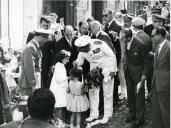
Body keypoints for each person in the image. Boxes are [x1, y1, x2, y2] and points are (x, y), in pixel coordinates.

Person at [73, 36, 118, 124]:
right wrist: (76, 63)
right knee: (92, 92)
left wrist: (112, 70)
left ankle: (107, 115)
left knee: (107, 93)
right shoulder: (82, 49)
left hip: (107, 68)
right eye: (81, 50)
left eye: (84, 49)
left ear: (88, 45)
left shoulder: (99, 43)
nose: (83, 51)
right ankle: (94, 114)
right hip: (94, 70)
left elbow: (112, 55)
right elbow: (80, 60)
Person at [120, 28, 149, 128]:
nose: (121, 39)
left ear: (128, 37)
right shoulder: (124, 43)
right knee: (130, 96)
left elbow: (146, 62)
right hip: (128, 74)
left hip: (138, 76)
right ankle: (132, 114)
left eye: (122, 38)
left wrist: (144, 75)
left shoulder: (140, 44)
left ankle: (139, 118)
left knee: (139, 98)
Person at [18, 28, 52, 96]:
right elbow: (29, 67)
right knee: (29, 104)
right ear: (41, 37)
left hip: (33, 82)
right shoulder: (31, 47)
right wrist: (33, 84)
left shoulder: (35, 46)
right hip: (28, 85)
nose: (46, 42)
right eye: (46, 39)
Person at [26, 16, 55, 89]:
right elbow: (28, 49)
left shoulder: (52, 35)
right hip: (35, 62)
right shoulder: (32, 34)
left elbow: (54, 50)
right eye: (44, 25)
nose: (45, 27)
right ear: (40, 24)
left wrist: (53, 64)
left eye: (48, 26)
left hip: (47, 63)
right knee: (36, 83)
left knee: (46, 83)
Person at [151, 26, 170, 128]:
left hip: (164, 85)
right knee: (156, 109)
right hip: (156, 83)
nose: (151, 38)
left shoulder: (169, 48)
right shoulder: (157, 46)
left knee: (165, 111)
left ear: (160, 36)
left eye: (153, 36)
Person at [102, 8, 122, 105]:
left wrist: (116, 59)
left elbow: (118, 46)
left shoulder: (116, 26)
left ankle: (115, 99)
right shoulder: (106, 26)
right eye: (103, 16)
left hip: (114, 56)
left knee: (113, 77)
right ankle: (111, 98)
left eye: (106, 15)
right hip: (106, 56)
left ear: (111, 15)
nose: (104, 17)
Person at [131, 17, 152, 98]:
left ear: (133, 27)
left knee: (138, 87)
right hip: (147, 64)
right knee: (148, 83)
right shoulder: (147, 36)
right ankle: (150, 98)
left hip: (137, 65)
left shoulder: (135, 38)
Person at [50, 50, 70, 127]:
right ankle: (59, 124)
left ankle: (58, 123)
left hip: (59, 88)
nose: (68, 61)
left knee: (58, 106)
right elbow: (59, 78)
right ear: (62, 58)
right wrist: (68, 78)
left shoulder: (59, 65)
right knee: (59, 107)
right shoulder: (59, 65)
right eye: (67, 59)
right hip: (58, 89)